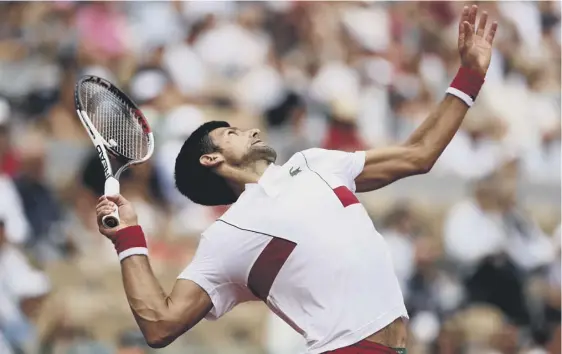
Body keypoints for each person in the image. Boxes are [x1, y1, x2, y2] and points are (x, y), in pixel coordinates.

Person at [95, 6, 497, 354]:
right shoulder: (227, 236)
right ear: (211, 158)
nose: (251, 131)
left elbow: (417, 155)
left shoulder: (315, 162)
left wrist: (469, 76)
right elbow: (160, 324)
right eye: (232, 132)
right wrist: (128, 237)